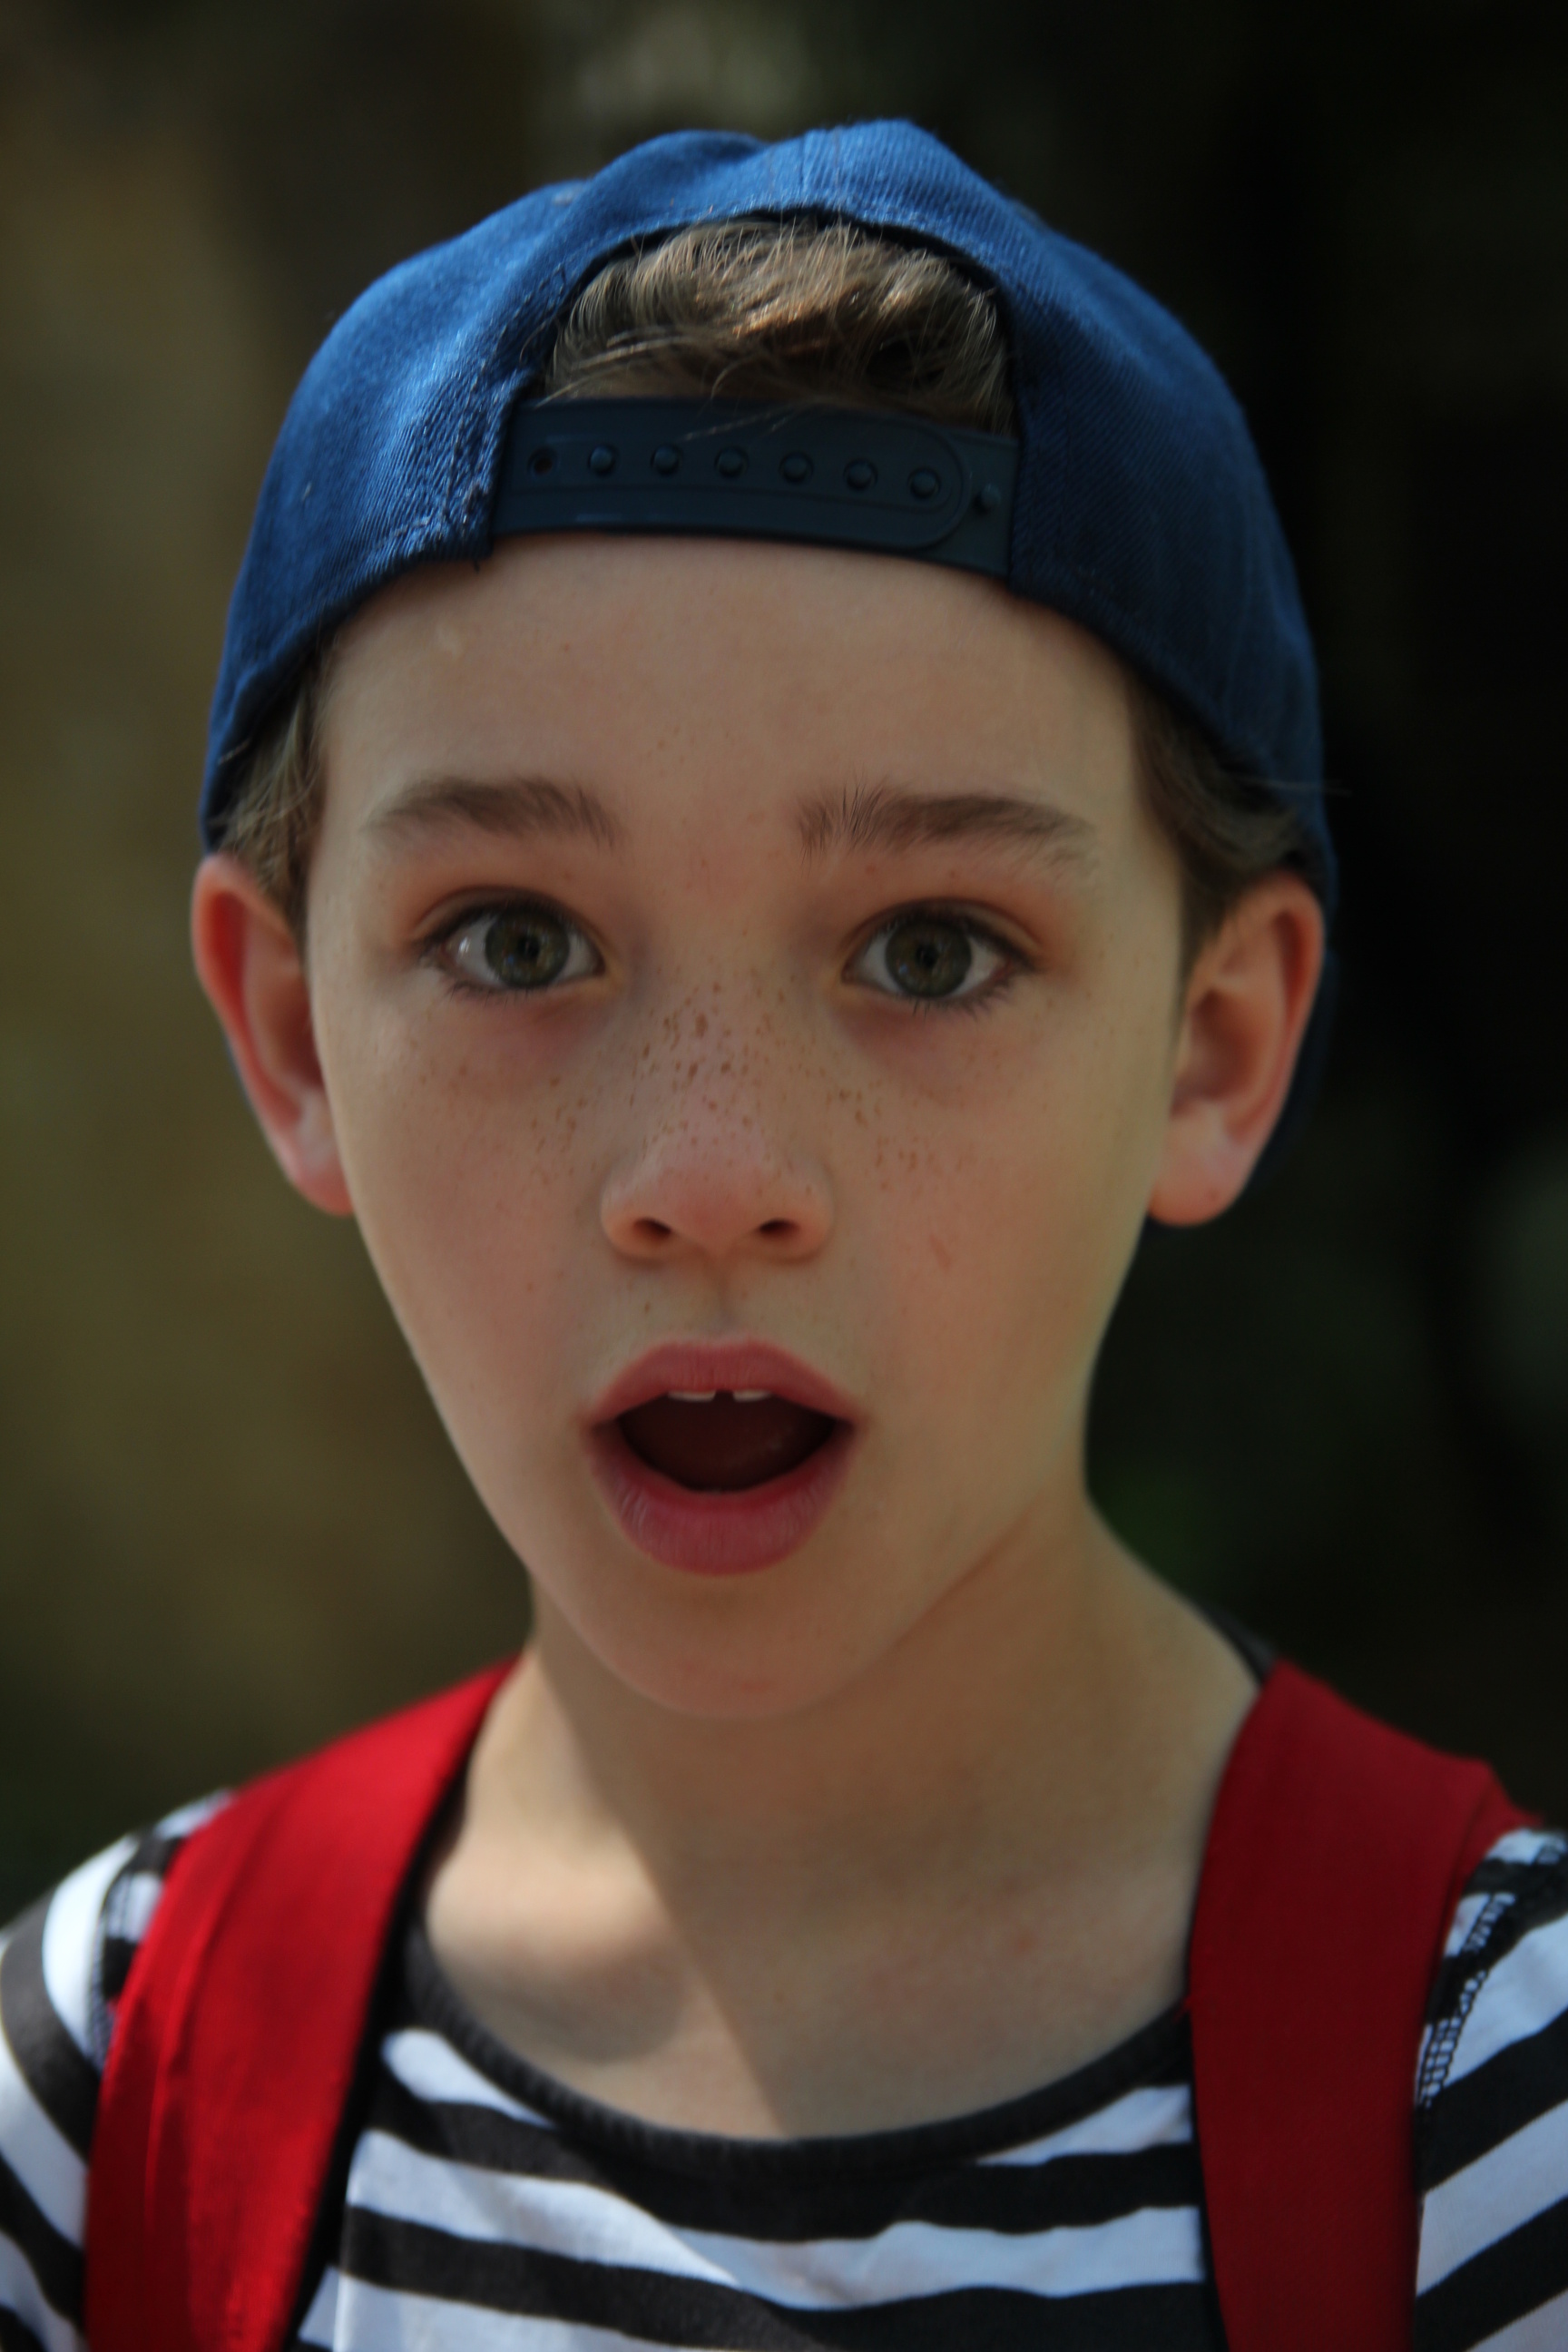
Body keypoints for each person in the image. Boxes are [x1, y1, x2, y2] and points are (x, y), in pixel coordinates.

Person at [2, 123, 1563, 2352]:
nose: (713, 1170)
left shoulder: (1502, 2121)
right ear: (288, 1030)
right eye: (516, 937)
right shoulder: (97, 2116)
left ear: (1214, 1048)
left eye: (931, 950)